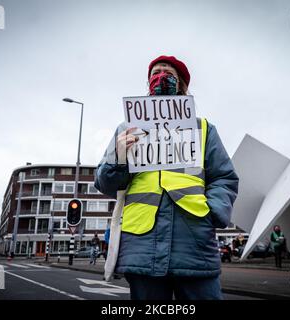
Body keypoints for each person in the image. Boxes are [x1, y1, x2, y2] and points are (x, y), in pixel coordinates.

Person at [94, 55, 239, 300]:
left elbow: (224, 178)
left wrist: (212, 213)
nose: (160, 77)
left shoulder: (203, 128)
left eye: (167, 73)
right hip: (142, 243)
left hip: (194, 241)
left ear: (181, 84)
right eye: (155, 73)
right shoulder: (127, 129)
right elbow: (104, 183)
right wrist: (119, 157)